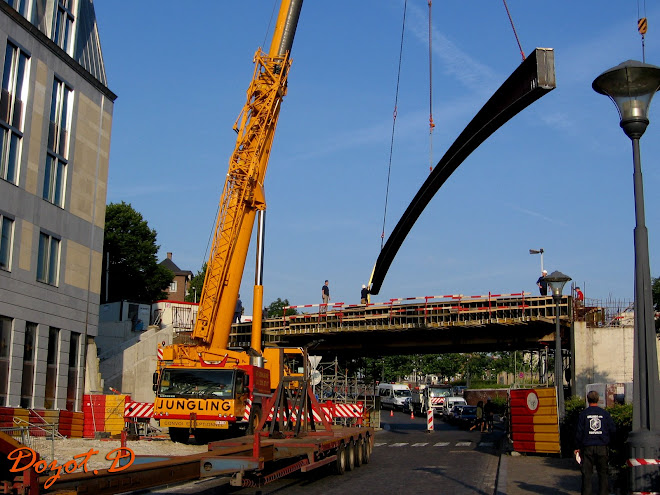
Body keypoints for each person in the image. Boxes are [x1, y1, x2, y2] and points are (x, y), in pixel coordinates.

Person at [575, 390, 616, 495]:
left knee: (587, 475)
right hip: (602, 447)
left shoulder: (583, 414)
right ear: (598, 399)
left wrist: (577, 447)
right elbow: (612, 430)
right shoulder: (605, 414)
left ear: (587, 400)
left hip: (587, 448)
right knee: (603, 474)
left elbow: (579, 432)